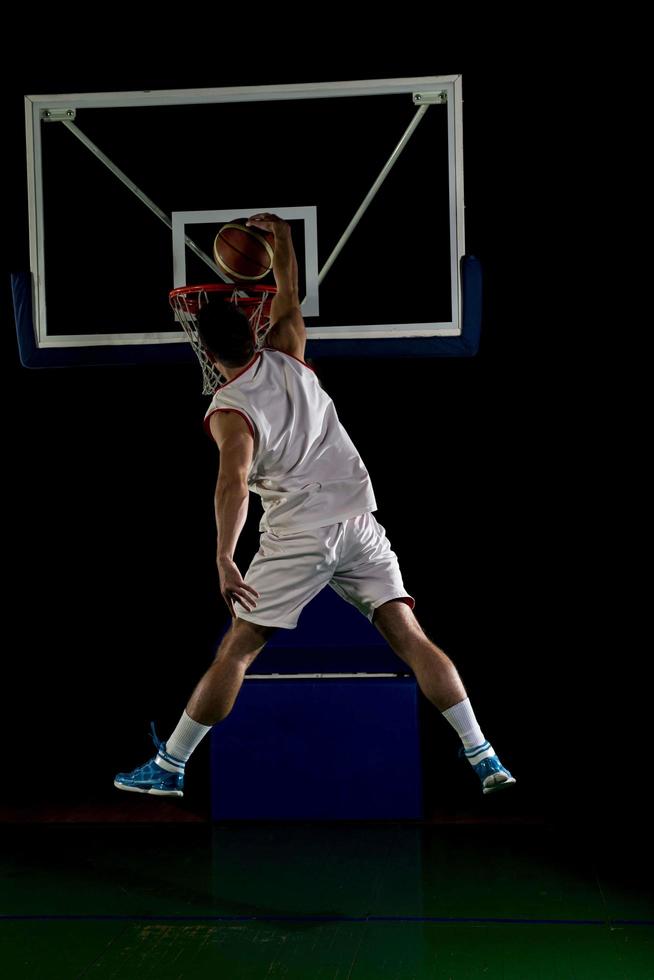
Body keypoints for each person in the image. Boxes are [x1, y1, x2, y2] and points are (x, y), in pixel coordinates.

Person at [114, 213, 516, 799]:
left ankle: (171, 767)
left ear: (203, 347)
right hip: (360, 524)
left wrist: (225, 557)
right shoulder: (290, 353)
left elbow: (233, 483)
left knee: (238, 650)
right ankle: (483, 755)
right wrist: (282, 238)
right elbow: (288, 294)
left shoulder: (229, 410)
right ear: (255, 331)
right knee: (411, 636)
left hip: (301, 534)